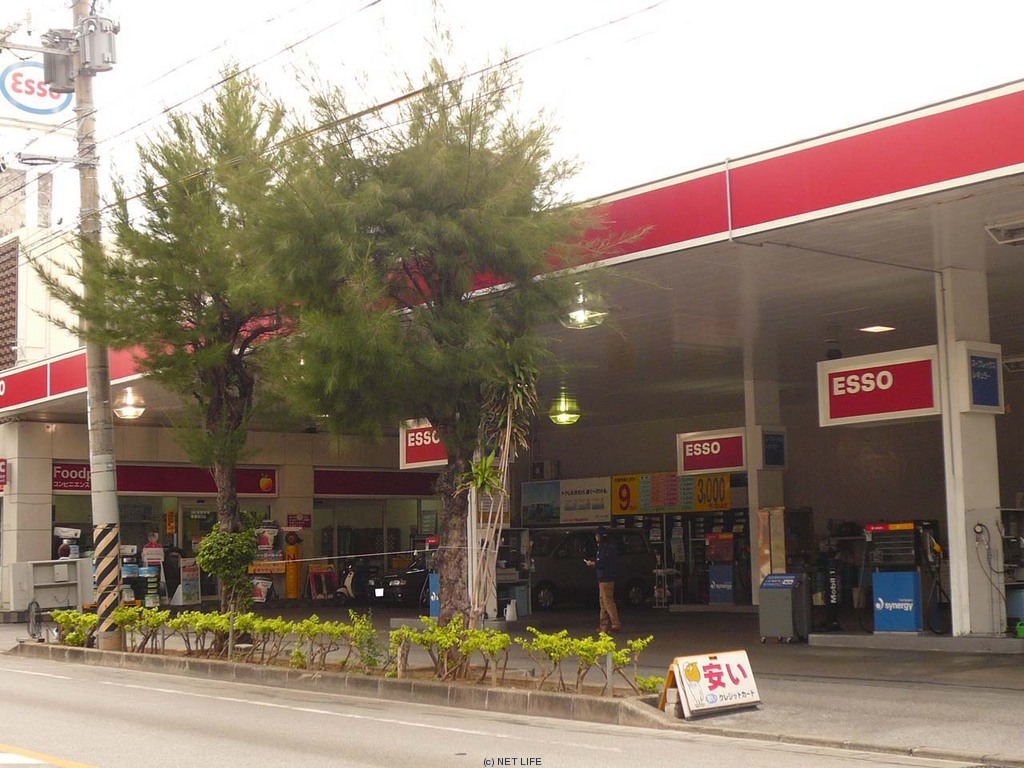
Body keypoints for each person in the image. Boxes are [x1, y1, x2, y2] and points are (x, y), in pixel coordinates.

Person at [584, 526, 621, 633]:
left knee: (607, 602)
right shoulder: (610, 547)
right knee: (603, 602)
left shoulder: (603, 549)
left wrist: (591, 563)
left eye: (597, 535)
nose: (595, 536)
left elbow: (601, 563)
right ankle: (603, 626)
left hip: (605, 578)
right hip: (606, 578)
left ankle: (615, 624)